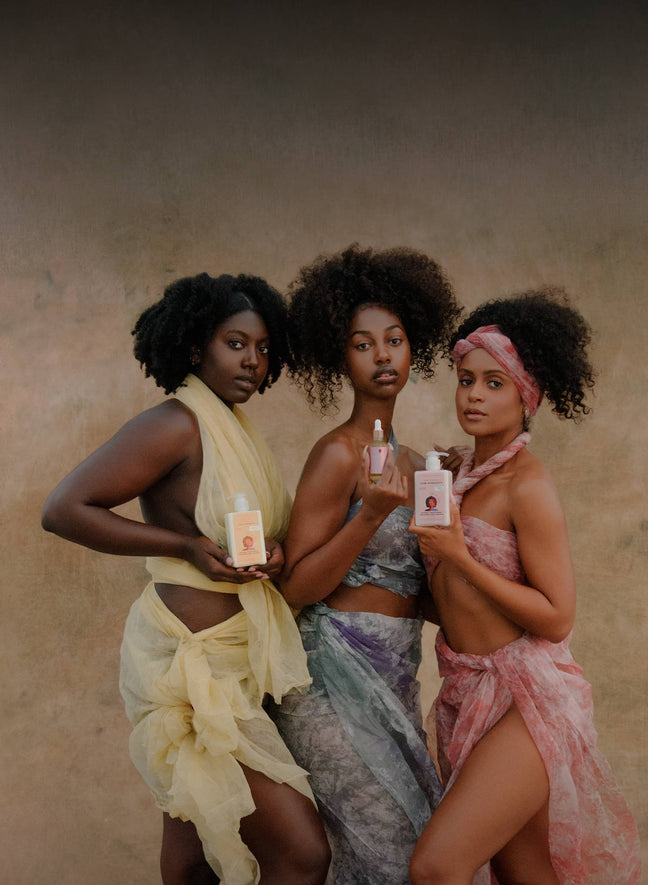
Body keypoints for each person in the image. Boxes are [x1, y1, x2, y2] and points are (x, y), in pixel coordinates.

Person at [41, 273, 330, 885]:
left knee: (195, 849)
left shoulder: (234, 429)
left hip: (235, 663)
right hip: (187, 667)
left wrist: (272, 552)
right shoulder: (176, 423)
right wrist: (184, 547)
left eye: (263, 348)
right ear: (196, 348)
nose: (253, 360)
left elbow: (238, 533)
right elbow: (65, 509)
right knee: (302, 854)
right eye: (235, 343)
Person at [408, 289, 641, 884]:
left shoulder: (527, 484)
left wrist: (459, 555)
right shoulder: (454, 477)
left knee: (437, 867)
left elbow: (557, 616)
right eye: (466, 380)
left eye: (494, 383)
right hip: (468, 691)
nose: (475, 396)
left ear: (525, 395)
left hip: (528, 697)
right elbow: (452, 603)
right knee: (524, 873)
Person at [265, 244, 462, 884]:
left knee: (410, 847)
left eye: (395, 340)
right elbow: (295, 587)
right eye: (362, 344)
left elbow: (417, 593)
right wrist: (371, 514)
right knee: (386, 850)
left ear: (414, 349)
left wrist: (453, 502)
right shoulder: (337, 454)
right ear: (339, 358)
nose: (382, 355)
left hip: (397, 674)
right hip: (329, 678)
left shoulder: (409, 465)